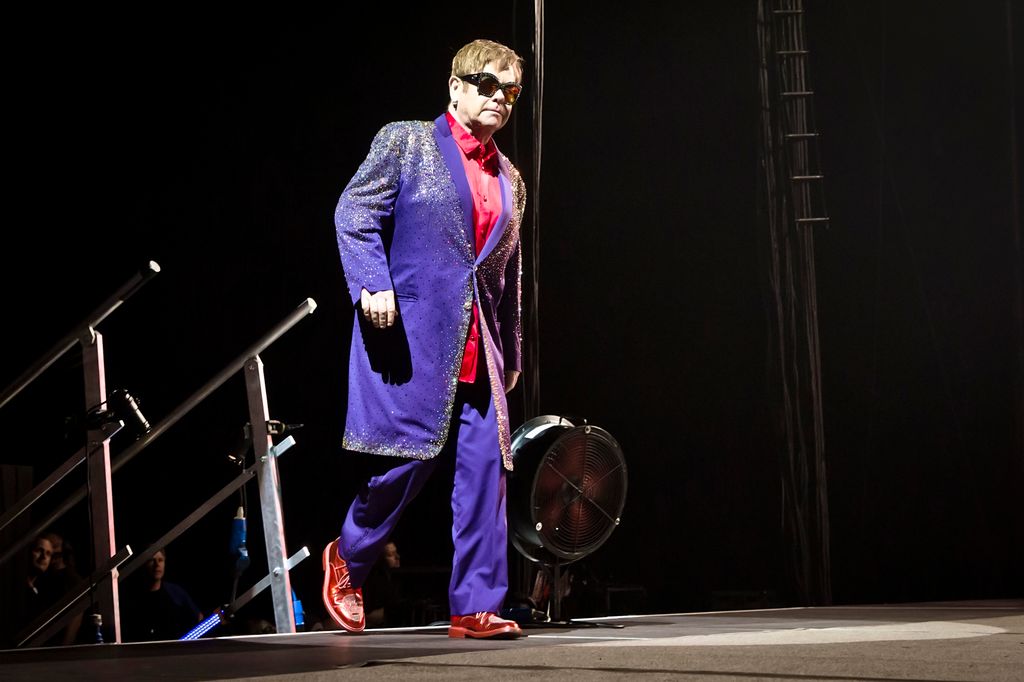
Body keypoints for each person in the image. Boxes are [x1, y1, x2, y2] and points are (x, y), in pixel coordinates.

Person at [324, 38, 527, 640]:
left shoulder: (510, 176)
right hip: (415, 335)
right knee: (411, 461)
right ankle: (348, 557)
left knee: (487, 473)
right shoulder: (406, 141)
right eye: (487, 84)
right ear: (455, 87)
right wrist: (370, 283)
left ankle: (475, 606)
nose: (499, 99)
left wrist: (510, 352)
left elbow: (508, 274)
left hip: (481, 346)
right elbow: (352, 211)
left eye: (510, 91)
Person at [121, 548, 203, 641]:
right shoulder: (133, 598)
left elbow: (198, 617)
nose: (157, 565)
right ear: (143, 564)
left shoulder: (175, 592)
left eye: (160, 560)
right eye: (152, 560)